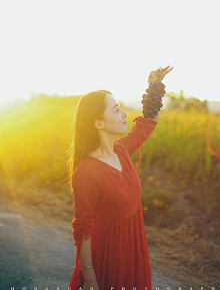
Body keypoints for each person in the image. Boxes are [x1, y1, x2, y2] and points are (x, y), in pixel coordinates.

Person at [67, 67, 173, 289]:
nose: (125, 114)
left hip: (134, 249)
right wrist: (89, 277)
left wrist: (154, 86)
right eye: (116, 110)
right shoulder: (86, 171)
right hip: (109, 256)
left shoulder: (122, 149)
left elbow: (148, 122)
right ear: (98, 123)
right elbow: (83, 228)